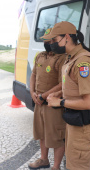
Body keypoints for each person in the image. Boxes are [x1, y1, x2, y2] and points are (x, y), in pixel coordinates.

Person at [46, 21, 90, 170]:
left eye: (55, 40)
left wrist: (60, 102)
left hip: (84, 124)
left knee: (76, 166)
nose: (52, 44)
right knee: (71, 163)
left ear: (66, 37)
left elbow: (89, 102)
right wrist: (58, 93)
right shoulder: (71, 58)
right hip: (75, 120)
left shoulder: (82, 62)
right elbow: (73, 86)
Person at [28, 28, 66, 170]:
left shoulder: (62, 58)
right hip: (39, 101)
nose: (47, 42)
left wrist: (44, 96)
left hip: (53, 104)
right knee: (42, 133)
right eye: (45, 39)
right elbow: (33, 75)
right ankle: (44, 160)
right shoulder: (40, 56)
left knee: (56, 136)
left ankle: (56, 167)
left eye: (50, 39)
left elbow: (63, 83)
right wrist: (32, 93)